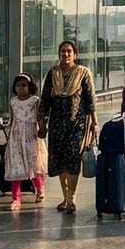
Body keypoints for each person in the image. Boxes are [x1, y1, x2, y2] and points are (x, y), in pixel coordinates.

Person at [40, 40, 98, 214]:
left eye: (69, 52)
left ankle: (71, 199)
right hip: (57, 124)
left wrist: (95, 123)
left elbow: (90, 100)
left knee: (73, 160)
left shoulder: (83, 73)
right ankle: (65, 197)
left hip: (77, 124)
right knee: (59, 161)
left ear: (75, 55)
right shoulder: (53, 73)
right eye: (63, 51)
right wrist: (42, 123)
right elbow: (44, 100)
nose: (65, 55)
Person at [4, 72, 47, 211]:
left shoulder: (35, 101)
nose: (21, 88)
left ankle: (40, 189)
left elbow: (40, 117)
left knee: (34, 164)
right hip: (16, 138)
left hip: (31, 137)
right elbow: (12, 119)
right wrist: (9, 138)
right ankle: (16, 199)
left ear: (30, 86)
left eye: (24, 85)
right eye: (18, 85)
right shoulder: (13, 102)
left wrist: (41, 130)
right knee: (16, 167)